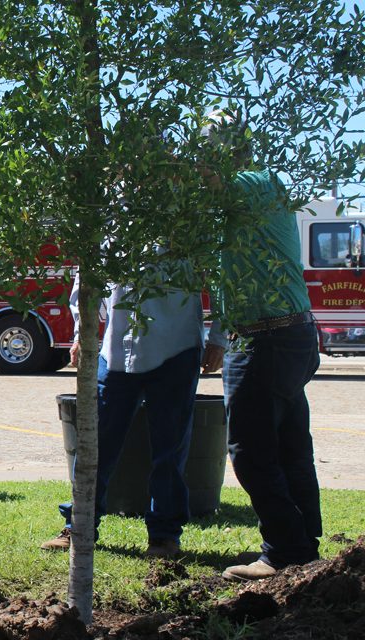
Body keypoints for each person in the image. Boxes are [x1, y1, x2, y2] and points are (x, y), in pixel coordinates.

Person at [200, 112, 321, 581]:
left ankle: (285, 550)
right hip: (282, 335)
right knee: (291, 446)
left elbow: (209, 182)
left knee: (250, 451)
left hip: (266, 337)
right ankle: (304, 548)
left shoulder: (254, 183)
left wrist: (151, 160)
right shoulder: (254, 193)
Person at [39, 270, 205, 558]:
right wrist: (82, 332)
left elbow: (215, 274)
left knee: (170, 449)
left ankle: (164, 536)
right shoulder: (107, 227)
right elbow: (86, 280)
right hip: (116, 352)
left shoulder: (183, 226)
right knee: (95, 443)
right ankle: (79, 527)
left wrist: (219, 338)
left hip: (176, 347)